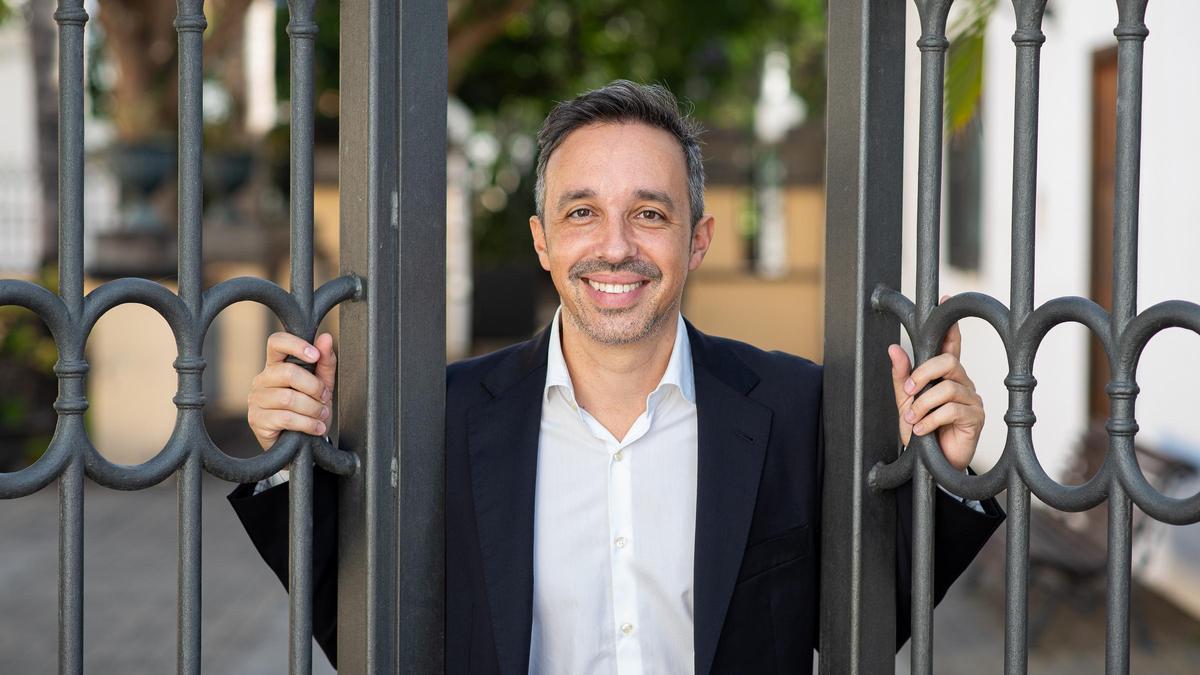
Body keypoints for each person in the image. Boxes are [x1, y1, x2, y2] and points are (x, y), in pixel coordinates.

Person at [230, 80, 1003, 674]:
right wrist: (287, 457)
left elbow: (870, 621)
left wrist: (947, 473)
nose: (615, 247)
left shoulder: (798, 406)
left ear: (698, 239)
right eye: (582, 213)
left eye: (650, 214)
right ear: (541, 240)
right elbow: (361, 629)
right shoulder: (444, 414)